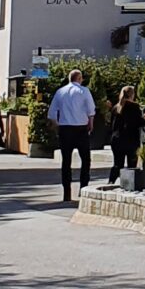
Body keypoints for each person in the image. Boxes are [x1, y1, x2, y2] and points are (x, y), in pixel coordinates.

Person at [48, 70, 97, 202]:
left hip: (65, 129)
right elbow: (91, 110)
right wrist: (91, 123)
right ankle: (83, 188)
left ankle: (67, 192)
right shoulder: (84, 91)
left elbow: (52, 113)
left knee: (66, 162)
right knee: (85, 160)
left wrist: (57, 126)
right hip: (81, 129)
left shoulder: (60, 92)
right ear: (79, 78)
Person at [107, 85, 144, 184]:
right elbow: (138, 123)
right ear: (132, 95)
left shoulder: (116, 107)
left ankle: (111, 181)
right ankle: (130, 184)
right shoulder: (134, 107)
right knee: (132, 164)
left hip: (117, 139)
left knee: (117, 164)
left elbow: (112, 125)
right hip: (131, 139)